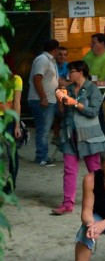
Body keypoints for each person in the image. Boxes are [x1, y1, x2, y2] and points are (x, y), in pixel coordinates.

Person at [52, 61, 105, 216]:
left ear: (81, 72)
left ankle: (102, 201)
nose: (69, 75)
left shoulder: (92, 89)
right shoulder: (68, 89)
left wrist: (75, 103)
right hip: (70, 133)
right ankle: (67, 204)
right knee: (69, 170)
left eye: (72, 71)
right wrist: (61, 102)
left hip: (89, 135)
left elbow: (93, 112)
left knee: (95, 169)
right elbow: (62, 114)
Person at [29, 39, 61, 167]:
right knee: (43, 129)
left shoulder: (50, 61)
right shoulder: (42, 60)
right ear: (55, 49)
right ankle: (42, 157)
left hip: (49, 100)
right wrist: (43, 98)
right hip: (41, 101)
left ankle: (43, 153)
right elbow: (37, 79)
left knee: (47, 127)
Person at [83, 33, 105, 135]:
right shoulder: (90, 54)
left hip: (102, 90)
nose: (91, 44)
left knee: (96, 111)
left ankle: (102, 139)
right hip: (87, 87)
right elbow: (81, 67)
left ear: (102, 44)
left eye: (94, 42)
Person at [2, 64, 23, 193]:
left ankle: (11, 183)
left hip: (8, 119)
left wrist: (17, 125)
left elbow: (16, 103)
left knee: (12, 152)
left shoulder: (16, 79)